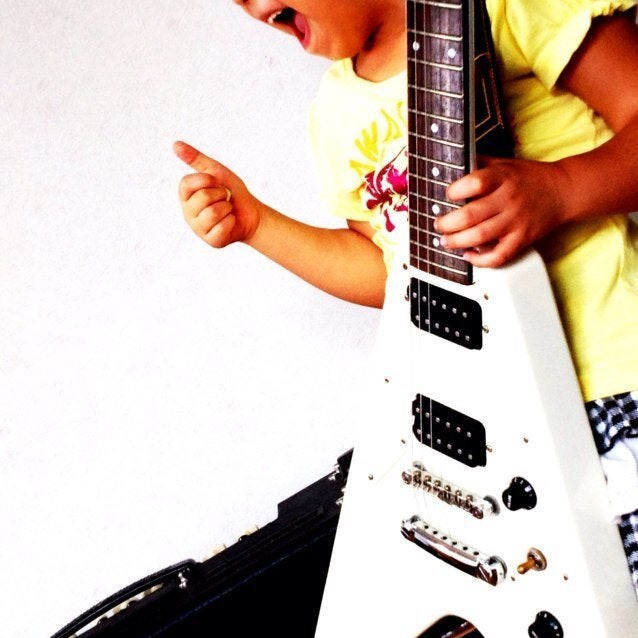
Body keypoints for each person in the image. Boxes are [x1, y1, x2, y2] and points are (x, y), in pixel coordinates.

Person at [175, 0, 638, 596]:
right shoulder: (335, 115)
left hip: (614, 376)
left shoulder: (509, 6)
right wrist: (258, 225)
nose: (253, 6)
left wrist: (560, 190)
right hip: (497, 426)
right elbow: (392, 272)